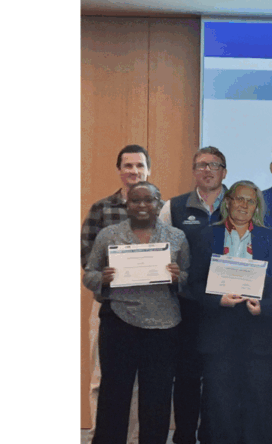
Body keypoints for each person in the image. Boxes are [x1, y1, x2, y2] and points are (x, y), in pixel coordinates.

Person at [83, 180, 188, 444]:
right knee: (114, 395)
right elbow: (89, 275)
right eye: (135, 200)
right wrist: (103, 279)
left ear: (159, 203)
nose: (142, 205)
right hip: (119, 323)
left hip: (164, 327)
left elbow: (189, 276)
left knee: (157, 397)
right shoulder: (109, 235)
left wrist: (179, 278)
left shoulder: (176, 237)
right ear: (127, 204)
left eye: (148, 200)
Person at [191, 180, 272, 444]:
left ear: (256, 206)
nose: (244, 205)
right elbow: (193, 285)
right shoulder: (207, 235)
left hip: (258, 334)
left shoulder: (267, 237)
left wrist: (264, 308)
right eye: (239, 199)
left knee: (258, 403)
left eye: (250, 200)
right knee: (220, 403)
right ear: (228, 201)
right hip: (218, 335)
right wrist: (217, 300)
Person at [80, 145, 152, 442]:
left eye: (139, 166)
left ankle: (133, 439)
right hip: (108, 307)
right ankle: (101, 436)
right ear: (119, 170)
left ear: (149, 170)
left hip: (147, 309)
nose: (134, 171)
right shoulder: (101, 208)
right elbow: (86, 257)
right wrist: (111, 274)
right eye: (128, 165)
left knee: (137, 384)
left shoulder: (159, 207)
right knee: (102, 378)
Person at [164, 146, 229, 444]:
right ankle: (185, 436)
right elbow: (159, 248)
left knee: (219, 379)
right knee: (188, 377)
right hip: (188, 306)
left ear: (224, 172)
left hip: (226, 307)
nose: (208, 170)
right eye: (201, 165)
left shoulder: (240, 203)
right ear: (194, 172)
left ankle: (213, 436)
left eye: (214, 165)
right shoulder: (173, 207)